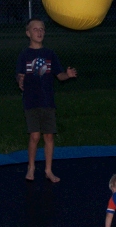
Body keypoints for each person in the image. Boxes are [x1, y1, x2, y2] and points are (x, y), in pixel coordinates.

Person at [16, 18, 77, 183]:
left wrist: (68, 75)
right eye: (35, 29)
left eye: (42, 29)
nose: (39, 32)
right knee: (35, 136)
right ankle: (31, 167)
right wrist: (20, 81)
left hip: (47, 101)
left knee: (49, 136)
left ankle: (48, 170)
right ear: (28, 33)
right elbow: (20, 75)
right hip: (31, 101)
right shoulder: (24, 54)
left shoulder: (50, 54)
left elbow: (60, 75)